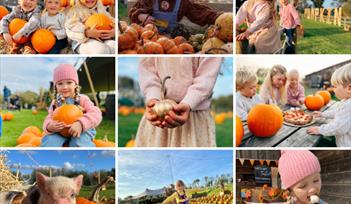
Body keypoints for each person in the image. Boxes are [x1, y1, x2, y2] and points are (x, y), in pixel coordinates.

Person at [136, 57, 222, 147]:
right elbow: (148, 72)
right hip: (159, 113)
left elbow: (205, 79)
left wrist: (189, 102)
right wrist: (153, 97)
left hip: (193, 116)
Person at [41, 64, 102, 147]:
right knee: (50, 142)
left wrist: (81, 123)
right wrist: (49, 126)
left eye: (69, 82)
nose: (65, 87)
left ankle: (87, 158)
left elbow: (96, 113)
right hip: (60, 133)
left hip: (82, 131)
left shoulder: (82, 99)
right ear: (55, 87)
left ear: (75, 84)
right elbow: (49, 117)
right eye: (60, 84)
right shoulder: (55, 103)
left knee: (78, 142)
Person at [307, 64, 351, 147]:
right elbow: (337, 111)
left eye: (335, 86)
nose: (333, 89)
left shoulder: (349, 106)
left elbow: (338, 127)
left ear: (349, 88)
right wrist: (323, 114)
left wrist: (320, 130)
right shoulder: (346, 101)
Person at [128, 0, 222, 33]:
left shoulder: (183, 3)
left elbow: (201, 14)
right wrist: (141, 16)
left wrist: (217, 17)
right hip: (150, 38)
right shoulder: (150, 1)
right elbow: (134, 11)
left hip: (172, 39)